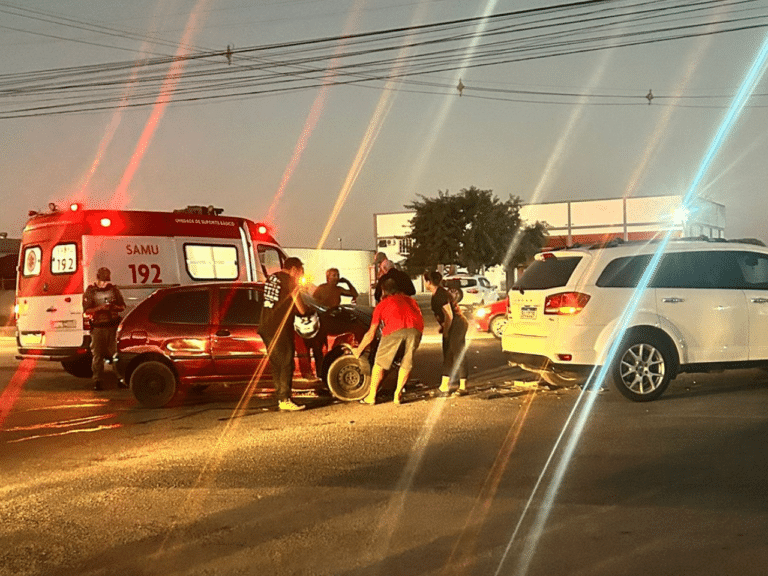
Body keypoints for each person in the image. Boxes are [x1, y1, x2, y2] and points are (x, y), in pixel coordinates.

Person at [353, 278, 423, 405]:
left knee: (379, 364)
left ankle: (371, 396)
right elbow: (418, 316)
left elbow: (371, 334)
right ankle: (398, 394)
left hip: (394, 330)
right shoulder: (411, 300)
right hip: (416, 330)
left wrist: (358, 351)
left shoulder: (383, 304)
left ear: (383, 291)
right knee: (406, 363)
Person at [259, 257, 309, 411]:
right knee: (287, 362)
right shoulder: (290, 281)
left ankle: (281, 397)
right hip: (279, 326)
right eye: (300, 271)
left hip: (265, 325)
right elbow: (301, 308)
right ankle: (285, 398)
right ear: (293, 269)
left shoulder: (272, 278)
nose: (300, 274)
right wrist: (306, 310)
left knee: (276, 363)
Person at [424, 270, 469, 396]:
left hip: (457, 324)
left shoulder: (440, 294)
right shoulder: (438, 293)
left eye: (425, 280)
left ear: (429, 282)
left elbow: (449, 315)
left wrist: (446, 331)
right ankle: (444, 386)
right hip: (452, 324)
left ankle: (463, 386)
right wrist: (443, 327)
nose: (424, 283)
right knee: (448, 354)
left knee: (458, 353)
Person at [82, 267, 126, 391]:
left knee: (116, 355)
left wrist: (113, 307)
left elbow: (122, 306)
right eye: (103, 279)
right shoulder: (91, 291)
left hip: (112, 327)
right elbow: (86, 311)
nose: (105, 282)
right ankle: (97, 380)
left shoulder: (113, 290)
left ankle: (120, 379)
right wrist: (100, 308)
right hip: (98, 328)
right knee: (97, 356)